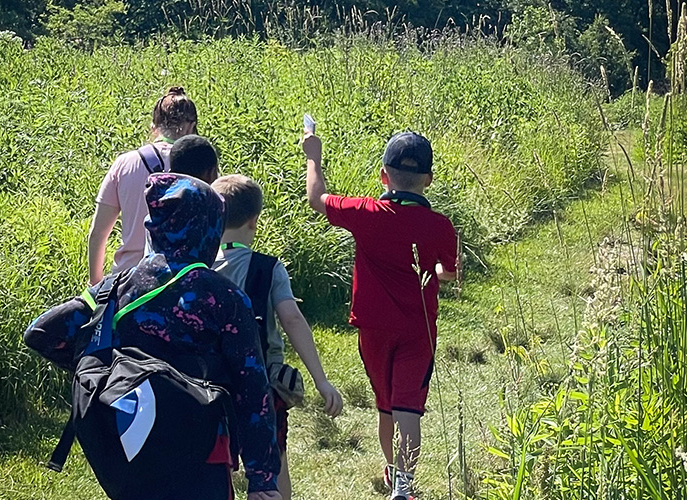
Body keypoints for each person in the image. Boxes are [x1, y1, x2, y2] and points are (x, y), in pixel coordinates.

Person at [25, 173, 282, 500]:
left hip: (133, 442)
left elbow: (42, 333)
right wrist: (262, 480)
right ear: (210, 229)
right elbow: (252, 391)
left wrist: (105, 370)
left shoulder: (115, 287)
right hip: (201, 450)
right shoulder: (224, 299)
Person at [302, 130, 458, 500]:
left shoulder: (366, 213)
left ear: (383, 176)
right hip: (417, 328)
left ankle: (394, 473)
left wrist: (313, 155)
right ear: (429, 180)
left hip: (372, 327)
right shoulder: (440, 226)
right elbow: (447, 273)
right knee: (408, 406)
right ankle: (402, 485)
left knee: (386, 405)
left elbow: (316, 198)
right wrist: (434, 272)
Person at [211, 174, 343, 500]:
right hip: (261, 387)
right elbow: (292, 319)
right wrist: (321, 380)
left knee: (217, 463)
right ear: (254, 222)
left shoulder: (197, 267)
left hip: (209, 386)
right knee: (273, 460)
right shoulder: (268, 268)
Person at [88, 86, 198, 286]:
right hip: (179, 282)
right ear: (191, 128)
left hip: (126, 281)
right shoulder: (198, 164)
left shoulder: (125, 163)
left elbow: (98, 233)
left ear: (154, 126)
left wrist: (96, 286)